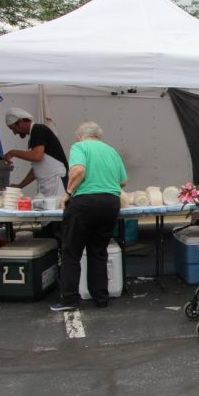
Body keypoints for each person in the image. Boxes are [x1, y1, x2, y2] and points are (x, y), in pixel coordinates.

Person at [54, 122, 127, 312]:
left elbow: (78, 170)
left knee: (71, 252)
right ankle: (101, 298)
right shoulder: (111, 151)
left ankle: (70, 299)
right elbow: (123, 181)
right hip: (110, 203)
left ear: (80, 136)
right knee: (98, 251)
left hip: (85, 203)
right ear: (99, 136)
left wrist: (68, 192)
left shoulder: (80, 147)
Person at [3, 108, 69, 198]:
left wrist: (13, 153)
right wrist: (20, 186)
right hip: (48, 183)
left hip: (56, 181)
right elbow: (36, 168)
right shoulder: (34, 134)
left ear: (21, 121)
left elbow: (37, 156)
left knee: (56, 210)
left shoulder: (38, 129)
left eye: (14, 128)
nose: (15, 132)